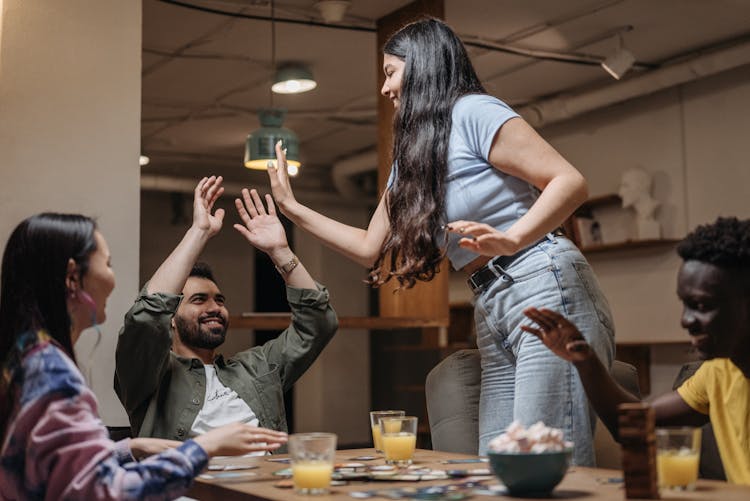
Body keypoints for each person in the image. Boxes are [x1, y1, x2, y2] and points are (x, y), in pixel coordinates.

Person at [263, 17, 614, 465]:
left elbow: (569, 181)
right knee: (498, 467)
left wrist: (511, 238)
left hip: (542, 281)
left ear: (423, 65)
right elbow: (370, 247)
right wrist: (294, 212)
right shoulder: (413, 158)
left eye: (390, 72)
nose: (386, 88)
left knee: (541, 464)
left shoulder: (474, 111)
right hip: (491, 303)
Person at [0, 213, 287, 500]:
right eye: (108, 264)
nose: (113, 280)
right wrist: (203, 448)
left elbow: (56, 466)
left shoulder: (28, 356)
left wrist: (129, 449)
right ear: (73, 276)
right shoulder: (51, 371)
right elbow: (102, 491)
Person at [522, 217, 750, 484]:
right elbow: (631, 424)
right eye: (685, 305)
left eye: (702, 305)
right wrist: (584, 359)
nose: (686, 320)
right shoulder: (718, 372)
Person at [115, 176, 338, 443]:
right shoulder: (148, 376)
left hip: (265, 482)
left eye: (219, 300)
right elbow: (146, 318)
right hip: (195, 483)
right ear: (171, 318)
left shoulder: (257, 368)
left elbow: (318, 324)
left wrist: (280, 252)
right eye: (199, 300)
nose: (215, 308)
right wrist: (198, 233)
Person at [619, 167, 661, 239]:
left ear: (642, 186)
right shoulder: (638, 218)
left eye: (626, 185)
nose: (620, 193)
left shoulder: (649, 212)